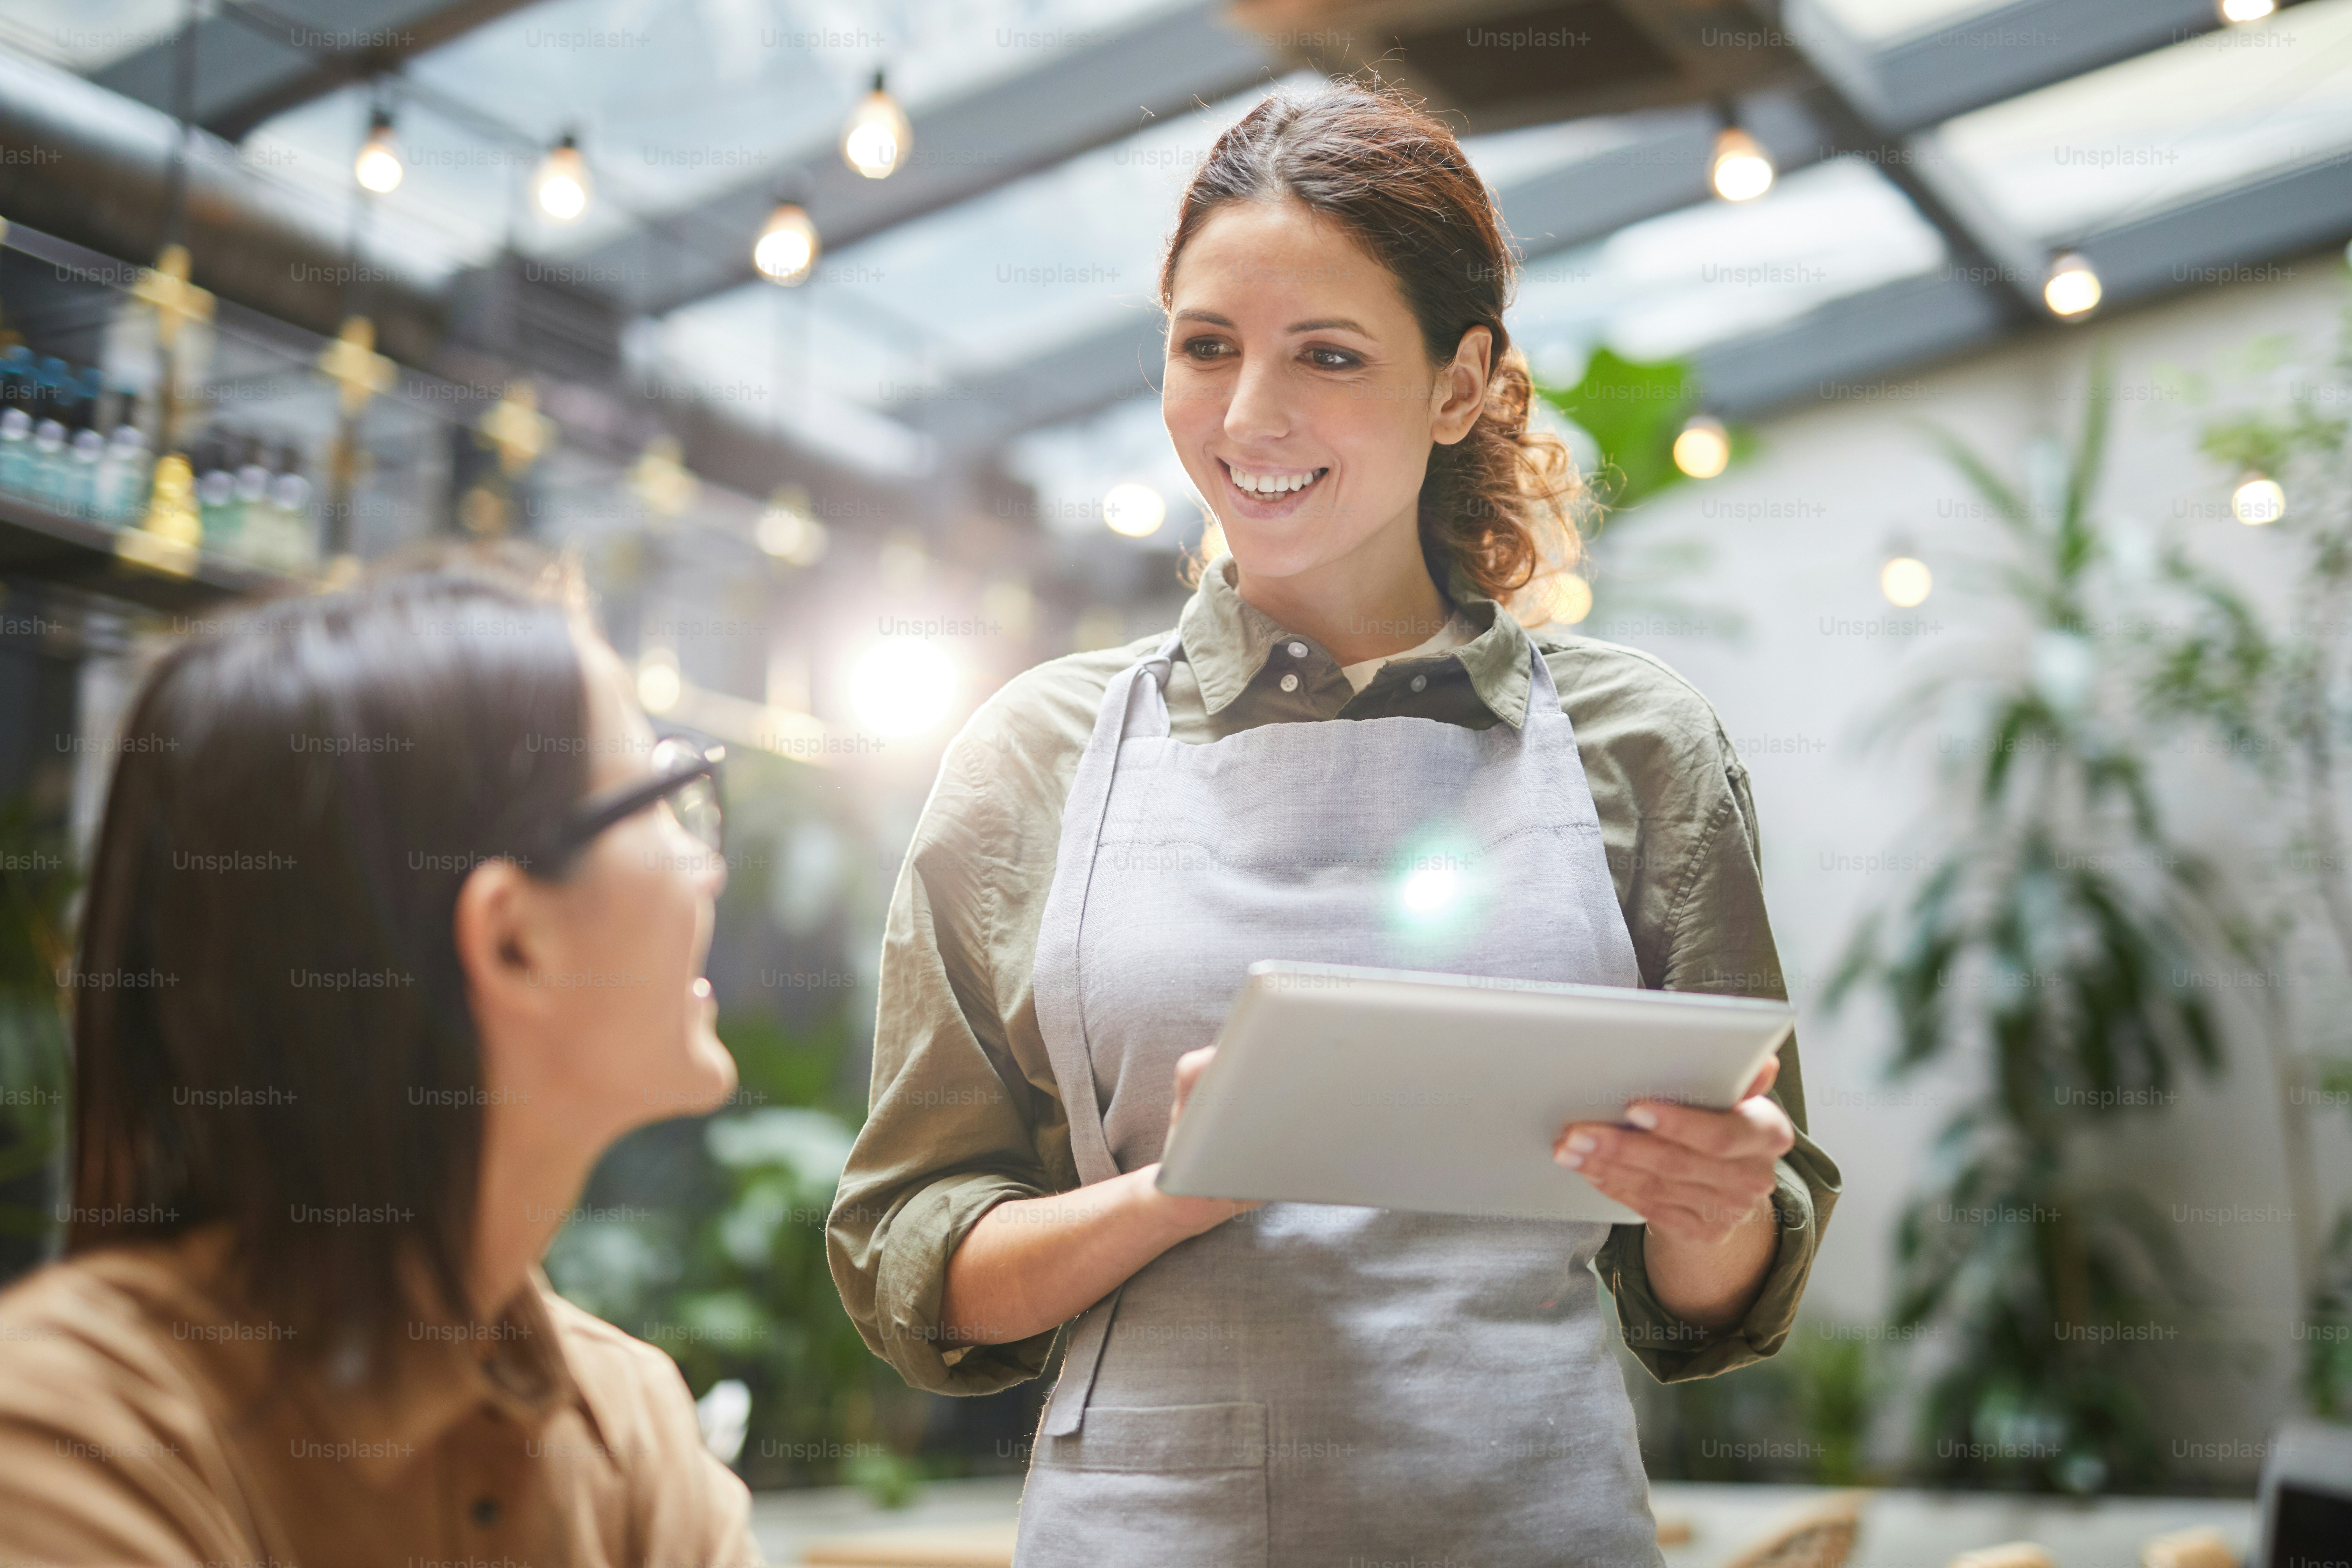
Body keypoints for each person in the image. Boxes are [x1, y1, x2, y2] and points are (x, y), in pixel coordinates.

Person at [827, 83, 1843, 1564]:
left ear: (1458, 384)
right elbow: (910, 1259)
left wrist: (1710, 1202)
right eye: (1206, 347)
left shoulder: (1645, 749)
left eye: (1328, 354)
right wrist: (1177, 1192)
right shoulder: (1032, 757)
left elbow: (1715, 1290)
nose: (1249, 417)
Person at [0, 548, 762, 1567]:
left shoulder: (630, 1423)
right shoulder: (74, 1436)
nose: (705, 865)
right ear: (512, 942)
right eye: (665, 797)